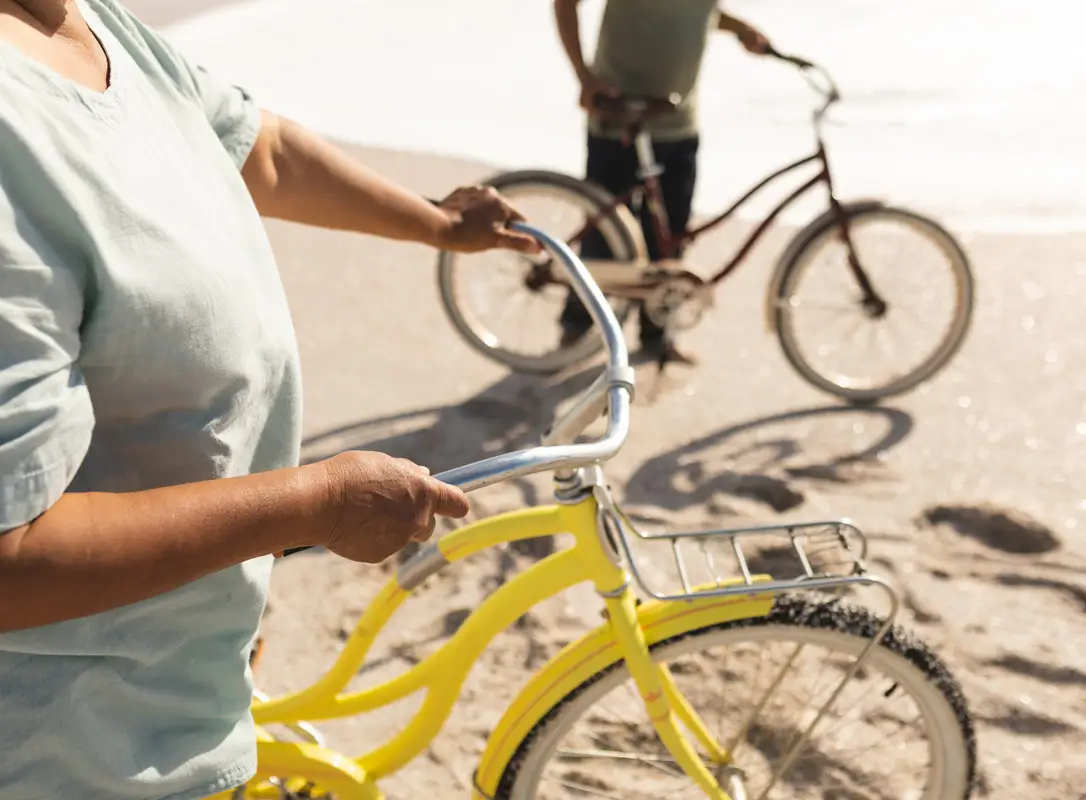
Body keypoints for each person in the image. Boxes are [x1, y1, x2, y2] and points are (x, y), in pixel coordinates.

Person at [0, 1, 540, 798]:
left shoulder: (90, 21)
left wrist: (436, 224)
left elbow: (263, 150)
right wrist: (311, 504)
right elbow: (12, 559)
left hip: (178, 677)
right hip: (76, 751)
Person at [553, 0, 771, 365]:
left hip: (679, 125)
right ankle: (575, 329)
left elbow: (697, 11)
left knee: (669, 240)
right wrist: (585, 77)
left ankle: (656, 338)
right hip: (619, 120)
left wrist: (740, 29)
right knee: (603, 237)